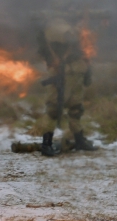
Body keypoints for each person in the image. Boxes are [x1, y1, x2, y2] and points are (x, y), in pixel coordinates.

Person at [37, 17, 96, 153]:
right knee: (53, 110)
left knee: (76, 109)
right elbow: (67, 38)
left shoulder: (76, 30)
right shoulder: (55, 28)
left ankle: (80, 141)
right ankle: (46, 144)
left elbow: (84, 51)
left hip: (77, 74)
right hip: (62, 74)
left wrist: (87, 73)